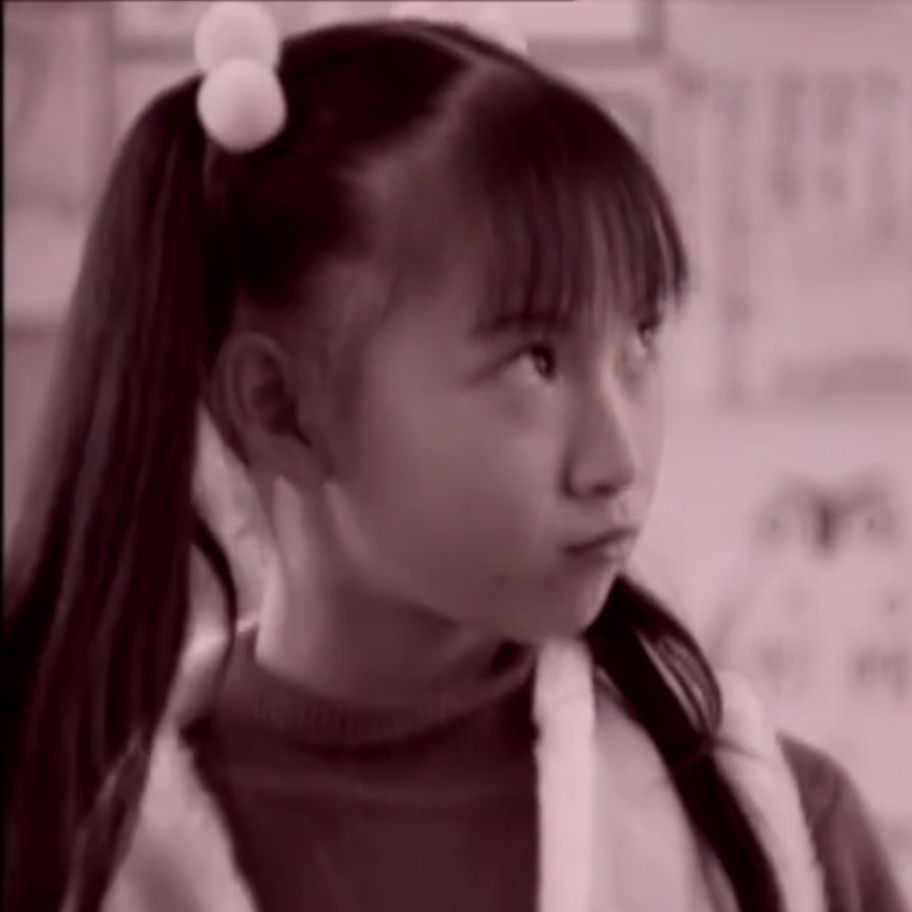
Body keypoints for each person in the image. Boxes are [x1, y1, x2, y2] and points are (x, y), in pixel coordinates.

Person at [3, 3, 907, 912]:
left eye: (639, 340)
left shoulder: (774, 839)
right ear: (283, 411)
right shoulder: (65, 847)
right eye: (536, 362)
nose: (617, 461)